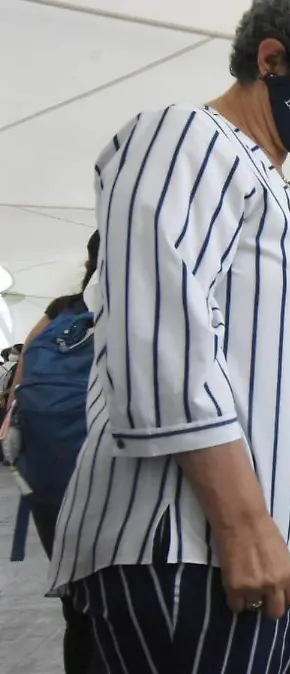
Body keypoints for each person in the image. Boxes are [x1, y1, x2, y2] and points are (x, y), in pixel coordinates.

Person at [48, 1, 290, 671]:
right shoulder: (188, 139)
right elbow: (159, 337)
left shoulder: (281, 196)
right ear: (272, 61)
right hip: (188, 550)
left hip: (273, 557)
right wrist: (243, 522)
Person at [7, 232, 100, 674]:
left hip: (48, 471)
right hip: (105, 467)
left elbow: (22, 377)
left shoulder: (61, 309)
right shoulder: (133, 305)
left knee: (75, 599)